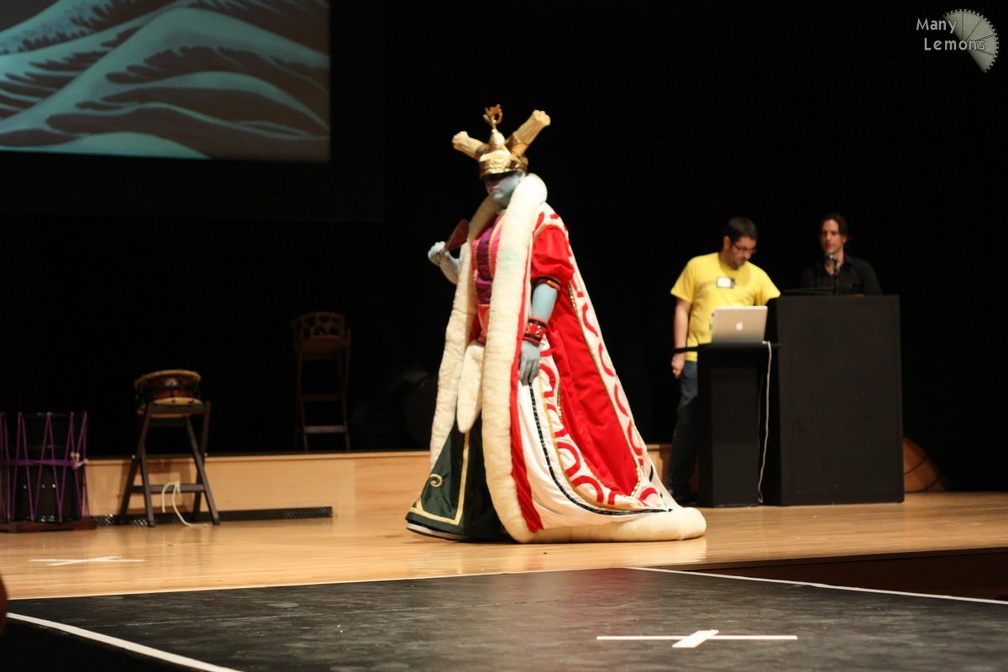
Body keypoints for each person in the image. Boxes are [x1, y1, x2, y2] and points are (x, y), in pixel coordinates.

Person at [405, 104, 706, 543]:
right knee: (478, 430)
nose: (492, 184)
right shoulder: (487, 226)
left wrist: (532, 335)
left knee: (533, 432)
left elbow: (549, 279)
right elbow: (477, 284)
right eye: (487, 178)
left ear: (521, 173)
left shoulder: (541, 220)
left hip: (528, 343)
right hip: (487, 346)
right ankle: (474, 516)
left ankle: (535, 510)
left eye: (501, 176)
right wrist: (449, 264)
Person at [666, 217, 780, 504]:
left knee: (737, 424)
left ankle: (739, 485)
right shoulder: (698, 266)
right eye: (741, 249)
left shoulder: (756, 275)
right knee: (689, 420)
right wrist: (679, 352)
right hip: (697, 358)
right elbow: (682, 309)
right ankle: (677, 486)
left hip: (740, 362)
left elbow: (777, 308)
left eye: (751, 250)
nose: (745, 256)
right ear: (727, 242)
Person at [799, 213, 882, 295]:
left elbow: (876, 301)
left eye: (833, 233)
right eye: (824, 233)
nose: (828, 238)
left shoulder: (862, 270)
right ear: (820, 238)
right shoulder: (810, 275)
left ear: (844, 238)